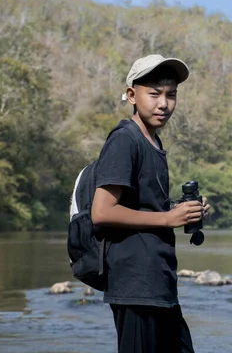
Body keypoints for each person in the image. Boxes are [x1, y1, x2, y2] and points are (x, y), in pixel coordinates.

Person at [90, 54, 210, 353]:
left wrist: (184, 211)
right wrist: (168, 219)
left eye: (171, 95)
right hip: (135, 285)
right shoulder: (125, 140)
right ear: (132, 94)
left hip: (158, 282)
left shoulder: (153, 143)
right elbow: (101, 212)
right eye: (154, 94)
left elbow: (145, 206)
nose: (163, 103)